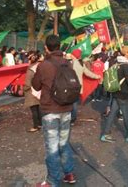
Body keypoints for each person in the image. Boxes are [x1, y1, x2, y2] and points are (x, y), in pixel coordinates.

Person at [31, 35, 76, 187]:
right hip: (67, 108)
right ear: (59, 46)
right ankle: (69, 174)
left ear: (46, 47)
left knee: (52, 146)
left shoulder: (44, 65)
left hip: (50, 110)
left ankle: (52, 181)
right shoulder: (67, 63)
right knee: (64, 143)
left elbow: (36, 86)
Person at [101, 45, 128, 143]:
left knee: (112, 113)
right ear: (126, 53)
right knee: (126, 115)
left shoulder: (116, 63)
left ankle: (105, 134)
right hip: (124, 93)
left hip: (116, 92)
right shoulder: (125, 65)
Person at [70, 49, 100, 121]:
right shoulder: (81, 63)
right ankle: (73, 117)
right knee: (75, 102)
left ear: (74, 55)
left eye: (72, 54)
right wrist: (97, 76)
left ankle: (72, 117)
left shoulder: (72, 64)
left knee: (72, 103)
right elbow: (88, 73)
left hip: (71, 85)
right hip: (79, 86)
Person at [24, 51, 43, 133]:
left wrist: (24, 89)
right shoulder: (39, 67)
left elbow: (27, 83)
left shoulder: (30, 70)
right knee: (38, 108)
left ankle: (36, 126)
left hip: (31, 91)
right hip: (39, 90)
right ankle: (40, 124)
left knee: (34, 109)